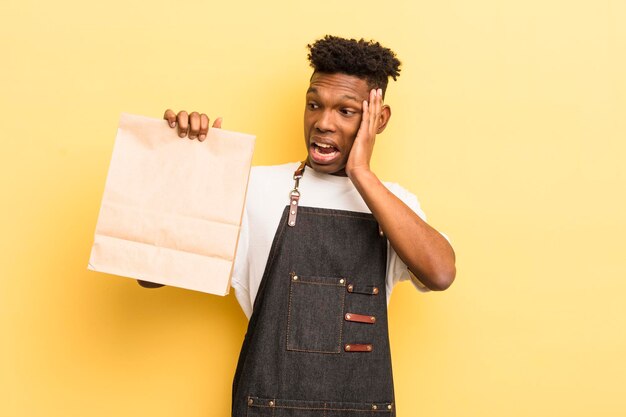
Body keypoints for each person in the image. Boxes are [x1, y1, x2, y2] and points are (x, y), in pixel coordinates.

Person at [142, 35, 456, 416]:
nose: (323, 123)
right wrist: (186, 167)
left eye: (346, 111)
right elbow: (150, 274)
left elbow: (440, 273)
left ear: (379, 118)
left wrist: (361, 173)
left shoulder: (393, 205)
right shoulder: (254, 187)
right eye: (314, 105)